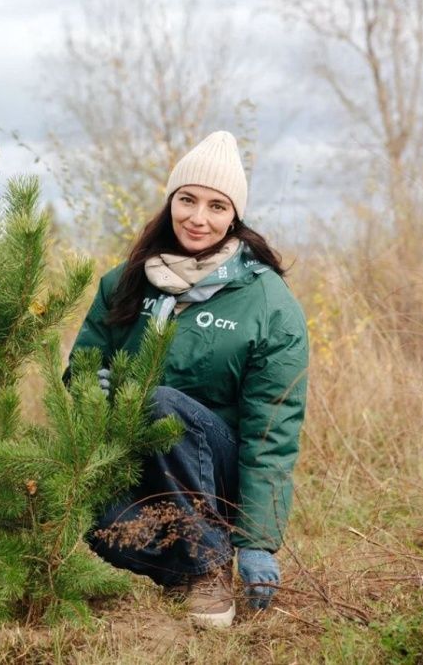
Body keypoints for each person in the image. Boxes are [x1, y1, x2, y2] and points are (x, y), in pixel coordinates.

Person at [69, 131, 308, 627]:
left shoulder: (267, 303)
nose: (198, 218)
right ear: (170, 202)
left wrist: (258, 540)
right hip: (140, 457)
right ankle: (188, 569)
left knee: (160, 403)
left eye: (217, 207)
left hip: (221, 471)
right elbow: (80, 370)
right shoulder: (125, 282)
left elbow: (272, 432)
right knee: (100, 522)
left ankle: (212, 566)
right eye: (188, 200)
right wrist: (90, 387)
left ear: (234, 217)